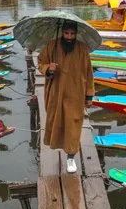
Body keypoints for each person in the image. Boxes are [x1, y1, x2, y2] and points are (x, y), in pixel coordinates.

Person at [37, 20, 95, 173]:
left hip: (75, 94)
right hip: (55, 93)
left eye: (72, 34)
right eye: (66, 33)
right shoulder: (52, 46)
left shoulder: (83, 49)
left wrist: (89, 96)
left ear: (76, 34)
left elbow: (89, 73)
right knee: (55, 122)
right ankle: (57, 146)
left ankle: (70, 157)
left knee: (73, 126)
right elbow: (41, 62)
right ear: (62, 32)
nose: (69, 37)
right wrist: (48, 69)